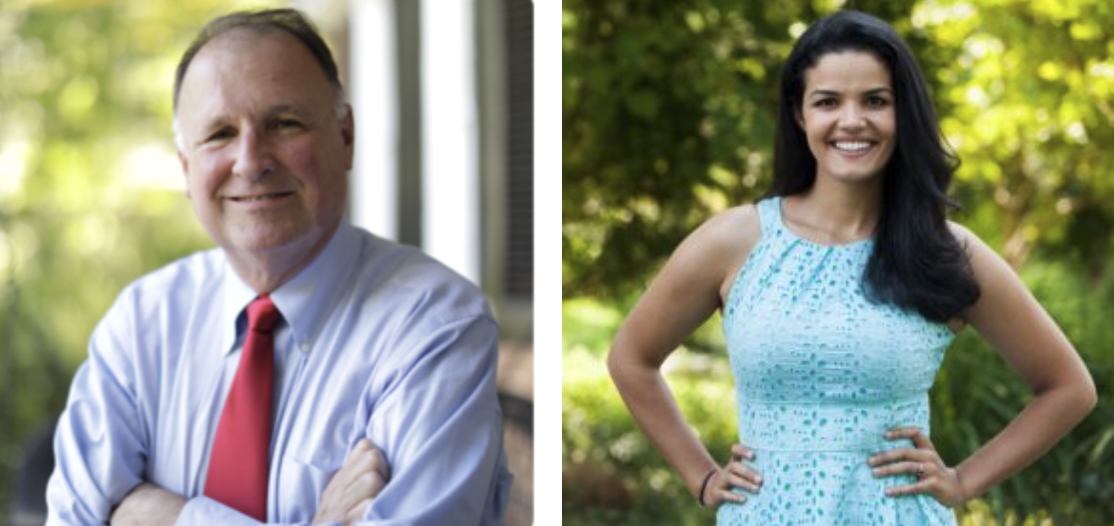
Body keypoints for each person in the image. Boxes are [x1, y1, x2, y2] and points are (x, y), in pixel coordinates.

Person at [607, 9, 1095, 526]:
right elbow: (631, 358)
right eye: (827, 101)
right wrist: (701, 477)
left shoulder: (946, 252)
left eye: (875, 101)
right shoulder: (735, 241)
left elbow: (1068, 388)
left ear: (902, 113)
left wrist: (963, 480)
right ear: (799, 115)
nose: (852, 120)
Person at [46, 8, 512, 526]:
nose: (250, 160)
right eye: (219, 133)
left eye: (284, 123)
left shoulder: (435, 326)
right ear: (186, 167)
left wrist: (158, 515)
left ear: (346, 138)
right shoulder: (140, 325)